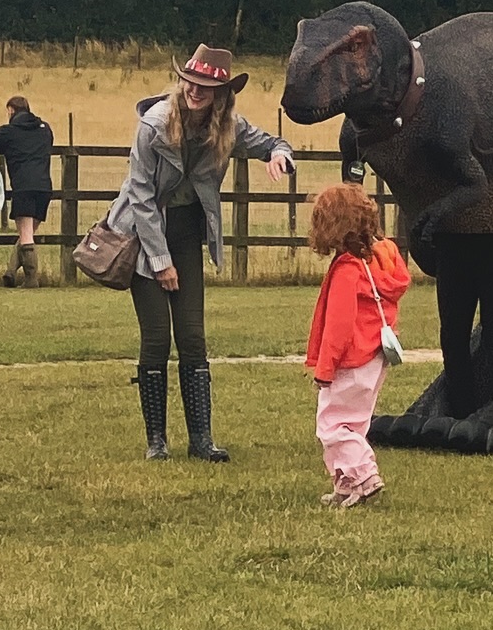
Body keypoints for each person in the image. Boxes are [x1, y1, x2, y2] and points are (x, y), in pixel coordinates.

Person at [107, 46, 294, 461]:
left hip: (188, 235)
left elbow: (273, 142)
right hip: (144, 236)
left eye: (207, 86)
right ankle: (157, 442)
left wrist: (281, 155)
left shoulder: (229, 126)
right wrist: (161, 262)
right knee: (156, 336)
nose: (196, 91)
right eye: (191, 82)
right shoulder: (153, 125)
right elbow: (139, 196)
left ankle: (202, 441)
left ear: (222, 94)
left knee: (192, 335)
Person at [305, 183, 411, 508]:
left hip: (349, 360)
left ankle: (364, 475)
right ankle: (347, 483)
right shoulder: (382, 260)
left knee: (332, 425)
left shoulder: (347, 271)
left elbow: (339, 325)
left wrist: (325, 367)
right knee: (354, 423)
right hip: (374, 356)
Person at [0, 95, 55, 288]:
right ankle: (10, 273)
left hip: (24, 187)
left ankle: (31, 280)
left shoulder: (10, 132)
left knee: (26, 235)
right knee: (26, 234)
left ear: (11, 110)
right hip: (45, 188)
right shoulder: (45, 130)